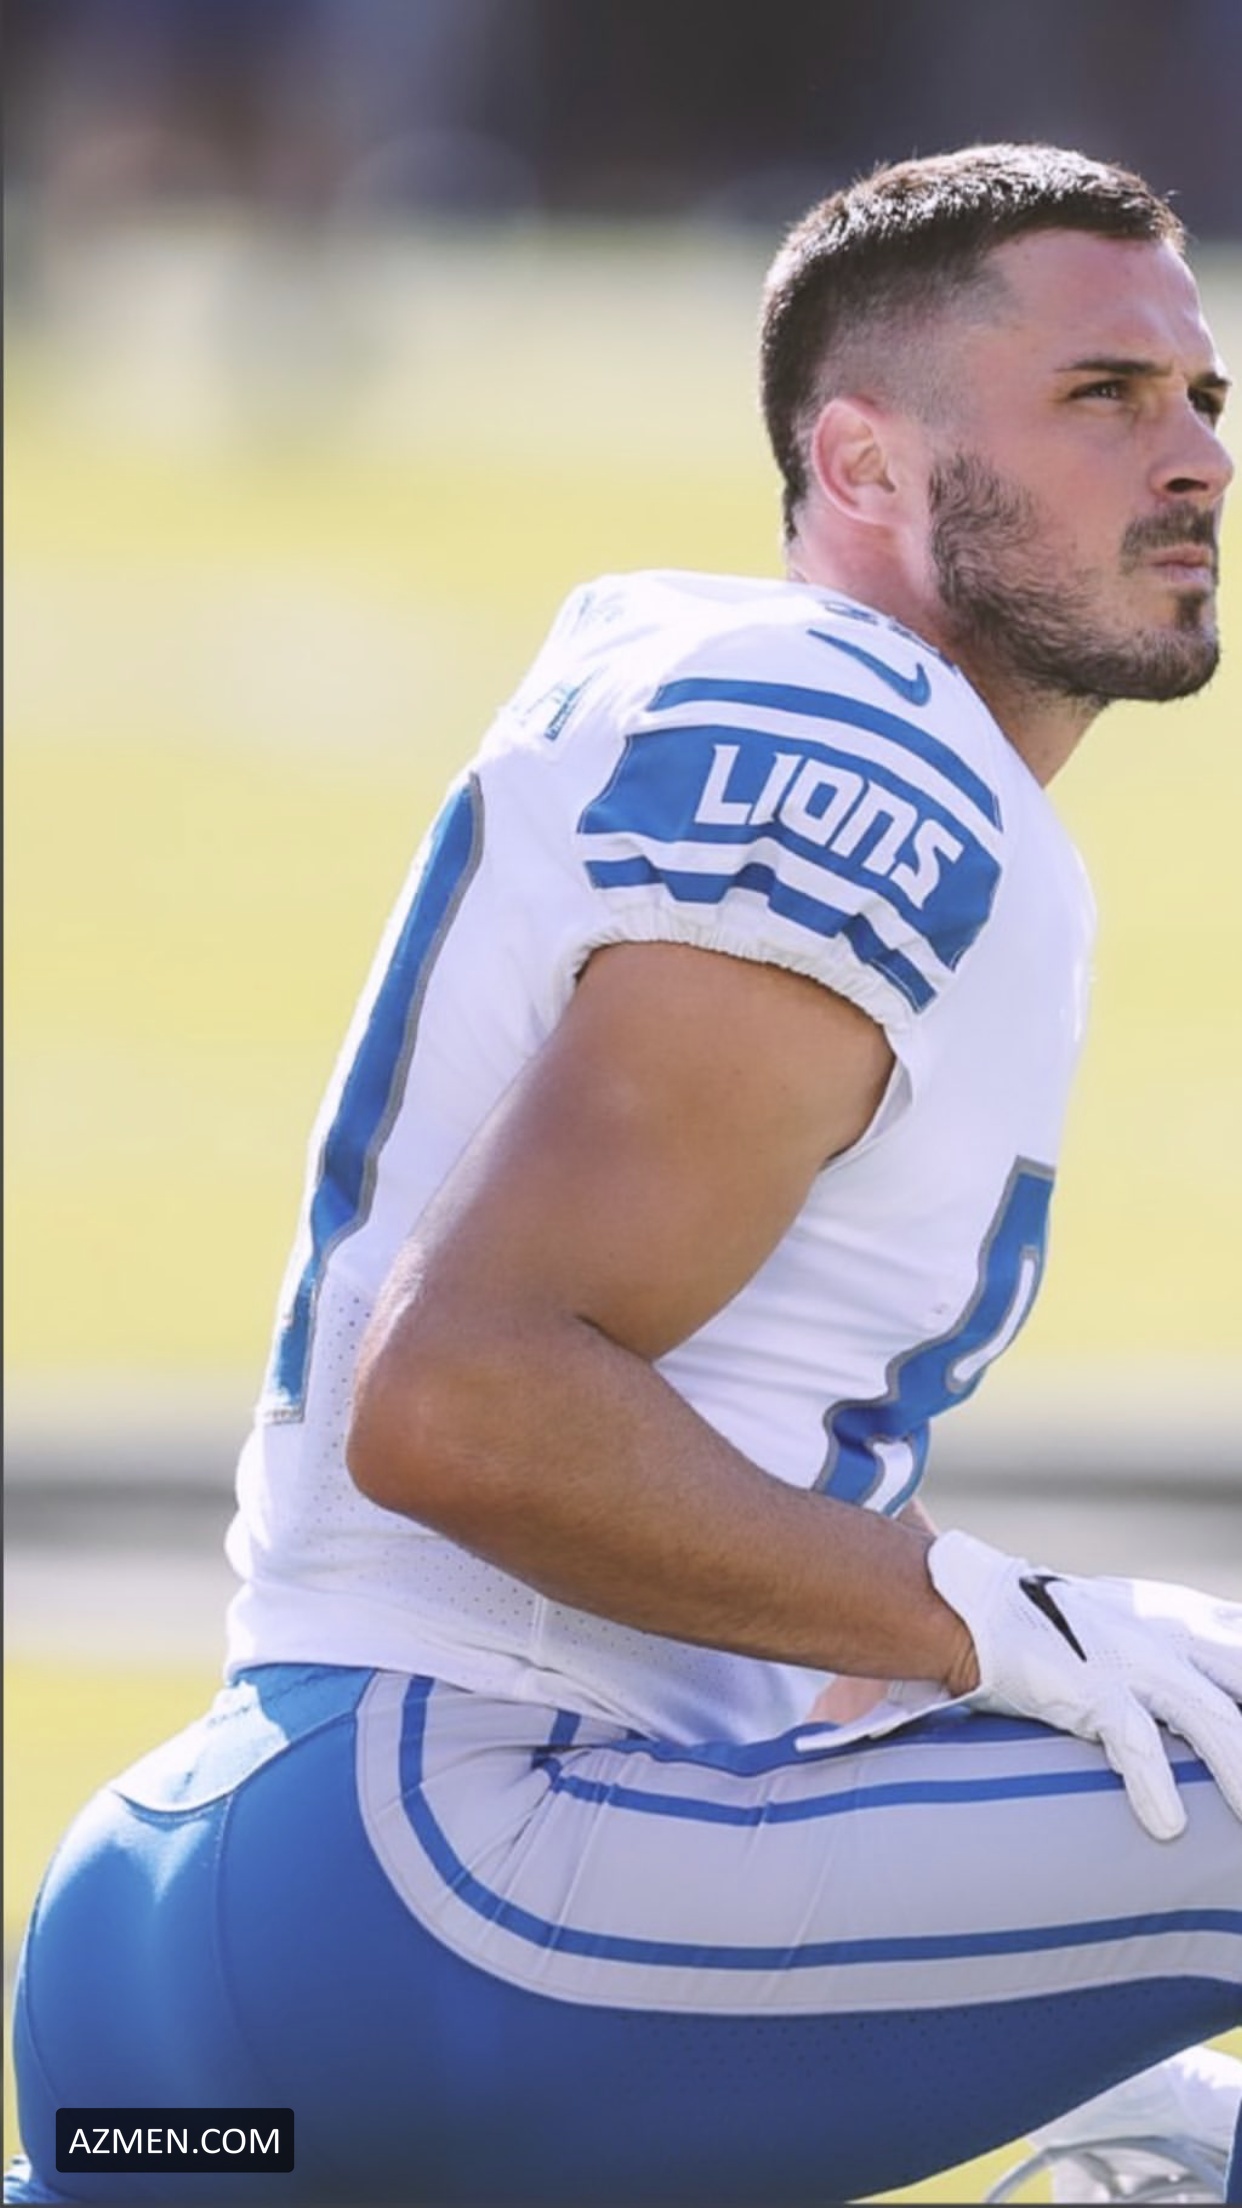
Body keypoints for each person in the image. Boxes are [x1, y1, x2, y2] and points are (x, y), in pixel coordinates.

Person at [7, 142, 1242, 2208]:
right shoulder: (869, 749)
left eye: (1201, 395)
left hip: (206, 1971)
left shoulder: (765, 707)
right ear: (863, 462)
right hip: (440, 1893)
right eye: (1100, 396)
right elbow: (465, 1406)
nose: (1192, 454)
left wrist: (948, 1663)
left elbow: (711, 1448)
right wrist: (975, 1616)